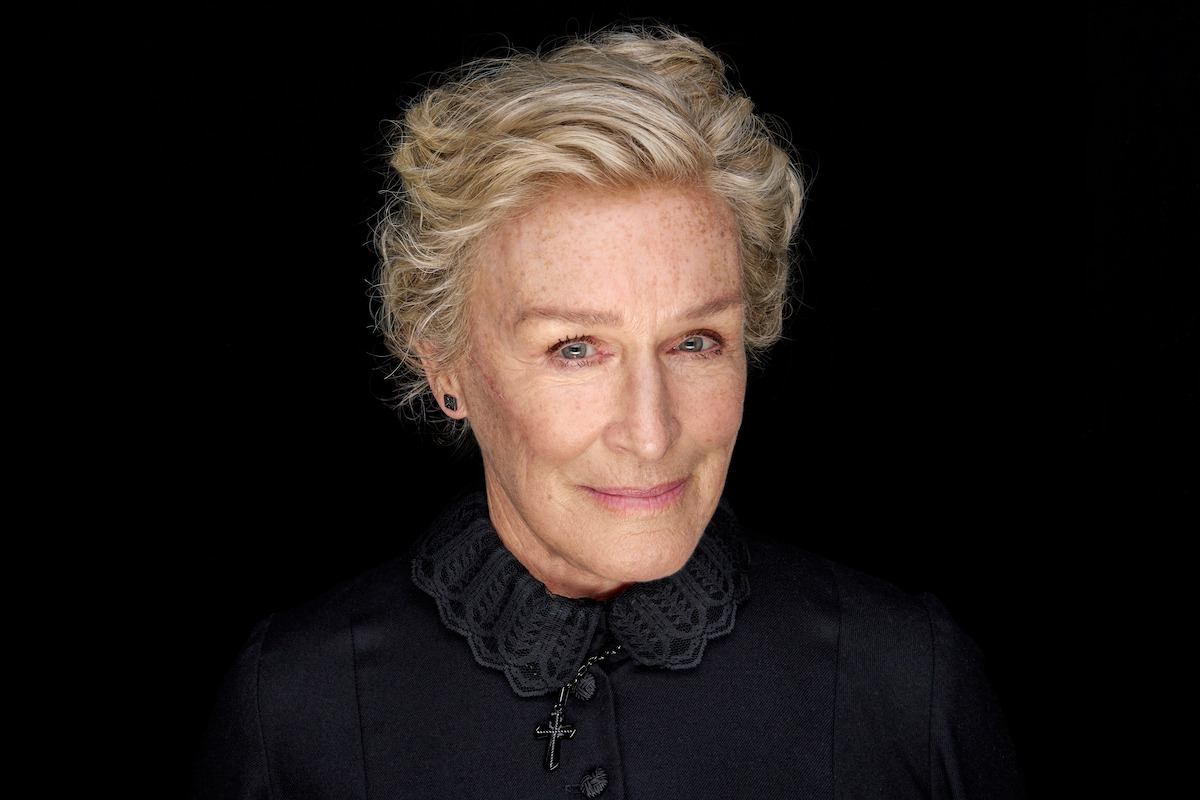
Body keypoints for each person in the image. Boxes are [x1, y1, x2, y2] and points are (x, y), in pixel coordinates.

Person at [192, 26, 1024, 799]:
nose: (651, 432)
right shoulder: (295, 710)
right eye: (575, 349)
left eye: (695, 342)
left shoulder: (908, 681)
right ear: (442, 362)